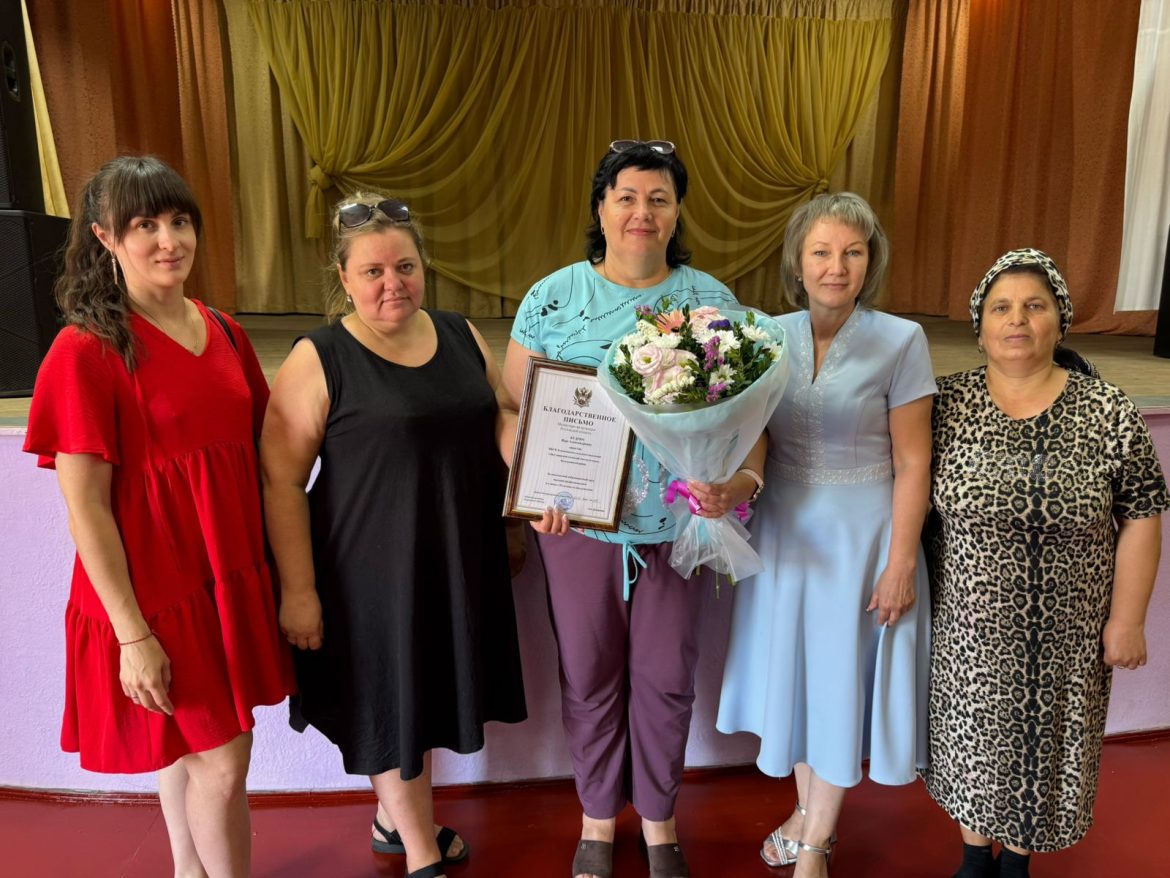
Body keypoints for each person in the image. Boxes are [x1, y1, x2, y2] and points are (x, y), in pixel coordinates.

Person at [502, 140, 766, 878]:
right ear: (601, 208)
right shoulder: (552, 299)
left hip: (681, 527)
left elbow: (754, 422)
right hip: (577, 527)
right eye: (626, 197)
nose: (641, 212)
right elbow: (512, 410)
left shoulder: (713, 302)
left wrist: (740, 484)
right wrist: (532, 486)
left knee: (666, 675)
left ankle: (658, 820)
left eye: (658, 199)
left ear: (677, 212)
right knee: (589, 673)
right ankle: (595, 816)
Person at [23, 155, 292, 877]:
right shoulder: (84, 351)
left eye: (179, 221)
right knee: (224, 761)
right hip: (154, 594)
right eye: (145, 225)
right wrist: (131, 633)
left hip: (223, 576)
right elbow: (85, 508)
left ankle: (187, 870)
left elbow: (258, 457)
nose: (169, 240)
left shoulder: (225, 331)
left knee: (191, 747)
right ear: (105, 237)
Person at [261, 194, 527, 878]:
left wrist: (527, 483)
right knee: (390, 700)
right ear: (343, 278)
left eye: (405, 267)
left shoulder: (460, 333)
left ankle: (393, 820)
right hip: (367, 573)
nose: (392, 283)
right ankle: (418, 851)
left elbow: (499, 412)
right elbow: (281, 482)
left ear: (423, 266)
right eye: (372, 271)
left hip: (455, 556)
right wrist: (298, 591)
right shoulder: (319, 356)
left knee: (425, 694)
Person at [923, 248, 1167, 878]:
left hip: (1069, 633)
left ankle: (1017, 864)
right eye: (1001, 308)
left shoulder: (1106, 408)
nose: (1017, 320)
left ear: (1060, 322)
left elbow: (1143, 512)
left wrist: (1127, 620)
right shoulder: (945, 404)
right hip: (968, 629)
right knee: (973, 741)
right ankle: (974, 860)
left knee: (1044, 752)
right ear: (979, 326)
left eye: (1035, 306)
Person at [716, 192, 936, 877]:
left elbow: (914, 461)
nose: (836, 267)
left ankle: (814, 844)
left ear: (871, 261)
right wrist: (732, 488)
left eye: (852, 252)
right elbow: (758, 444)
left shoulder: (902, 340)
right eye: (821, 252)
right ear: (797, 262)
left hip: (863, 539)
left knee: (839, 683)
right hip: (785, 532)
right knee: (802, 682)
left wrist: (901, 562)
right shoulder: (764, 335)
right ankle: (807, 815)